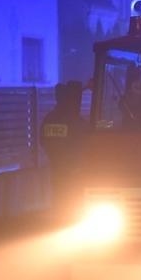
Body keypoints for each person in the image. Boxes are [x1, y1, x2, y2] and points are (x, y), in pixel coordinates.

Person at [40, 80, 88, 219]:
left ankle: (60, 220)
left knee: (59, 200)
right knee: (74, 205)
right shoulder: (75, 120)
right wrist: (110, 122)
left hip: (56, 170)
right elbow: (91, 133)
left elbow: (43, 141)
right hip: (75, 172)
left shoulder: (49, 119)